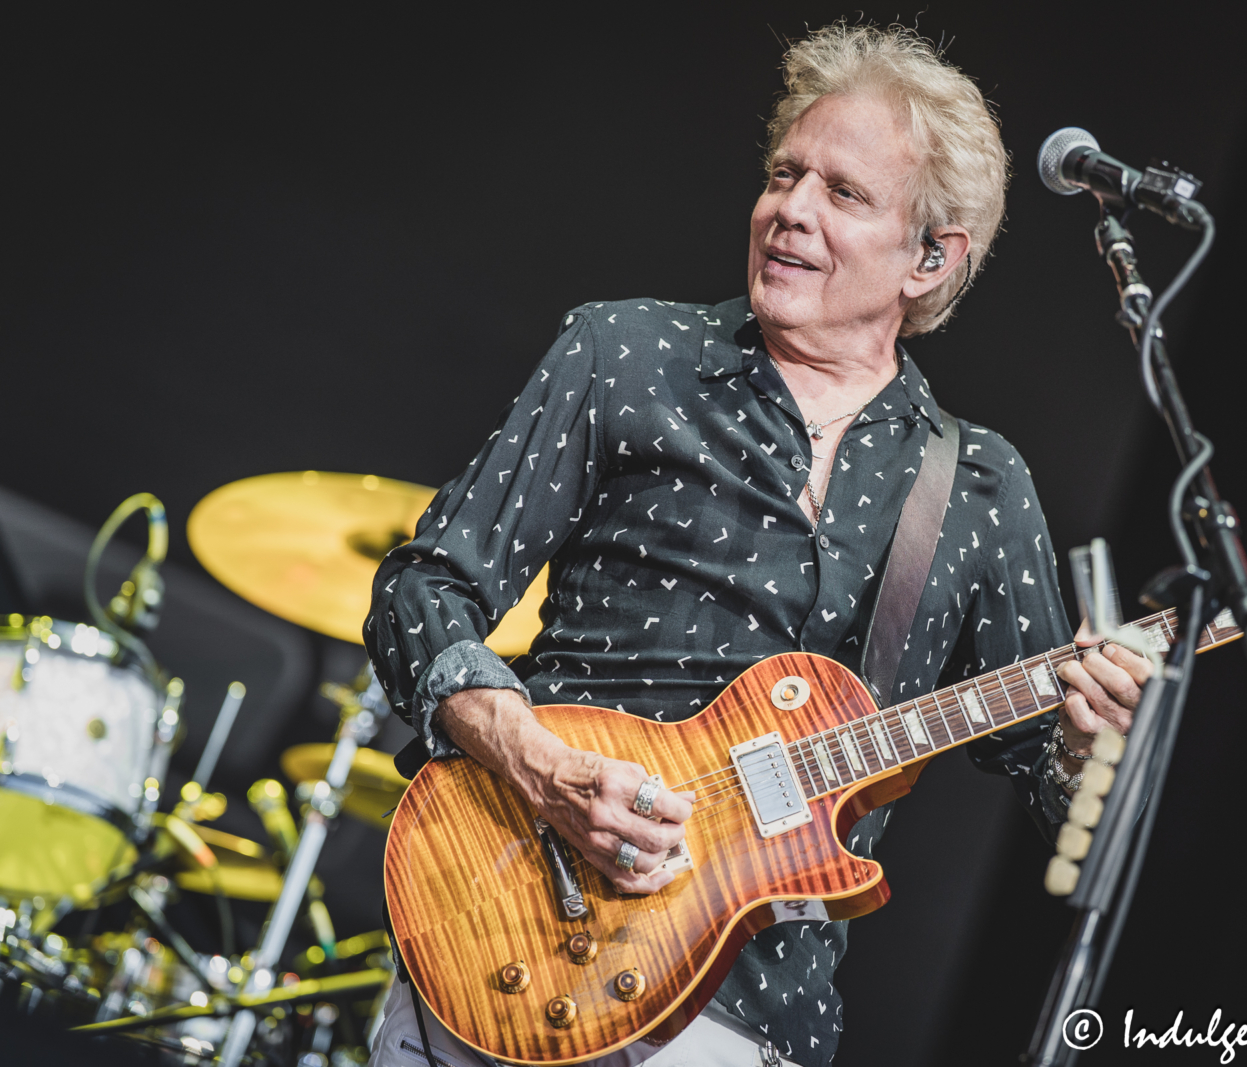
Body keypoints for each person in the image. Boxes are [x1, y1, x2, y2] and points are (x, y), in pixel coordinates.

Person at [364, 22, 1150, 1067]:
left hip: (744, 1020)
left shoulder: (982, 487)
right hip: (509, 933)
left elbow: (1051, 781)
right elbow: (424, 589)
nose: (791, 209)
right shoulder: (627, 353)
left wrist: (1092, 745)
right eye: (786, 174)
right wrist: (540, 765)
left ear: (931, 257)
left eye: (843, 192)